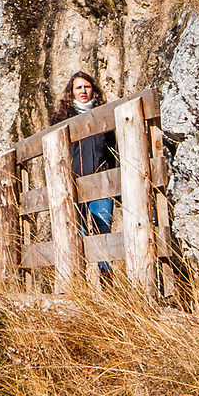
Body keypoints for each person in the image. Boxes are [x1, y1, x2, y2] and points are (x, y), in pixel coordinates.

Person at [58, 71, 119, 271]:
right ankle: (80, 285)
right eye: (79, 87)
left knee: (104, 230)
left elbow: (112, 150)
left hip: (102, 183)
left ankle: (107, 282)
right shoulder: (62, 120)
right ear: (71, 92)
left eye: (87, 86)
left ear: (93, 89)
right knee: (79, 233)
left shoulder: (104, 116)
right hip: (75, 185)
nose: (83, 91)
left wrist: (115, 179)